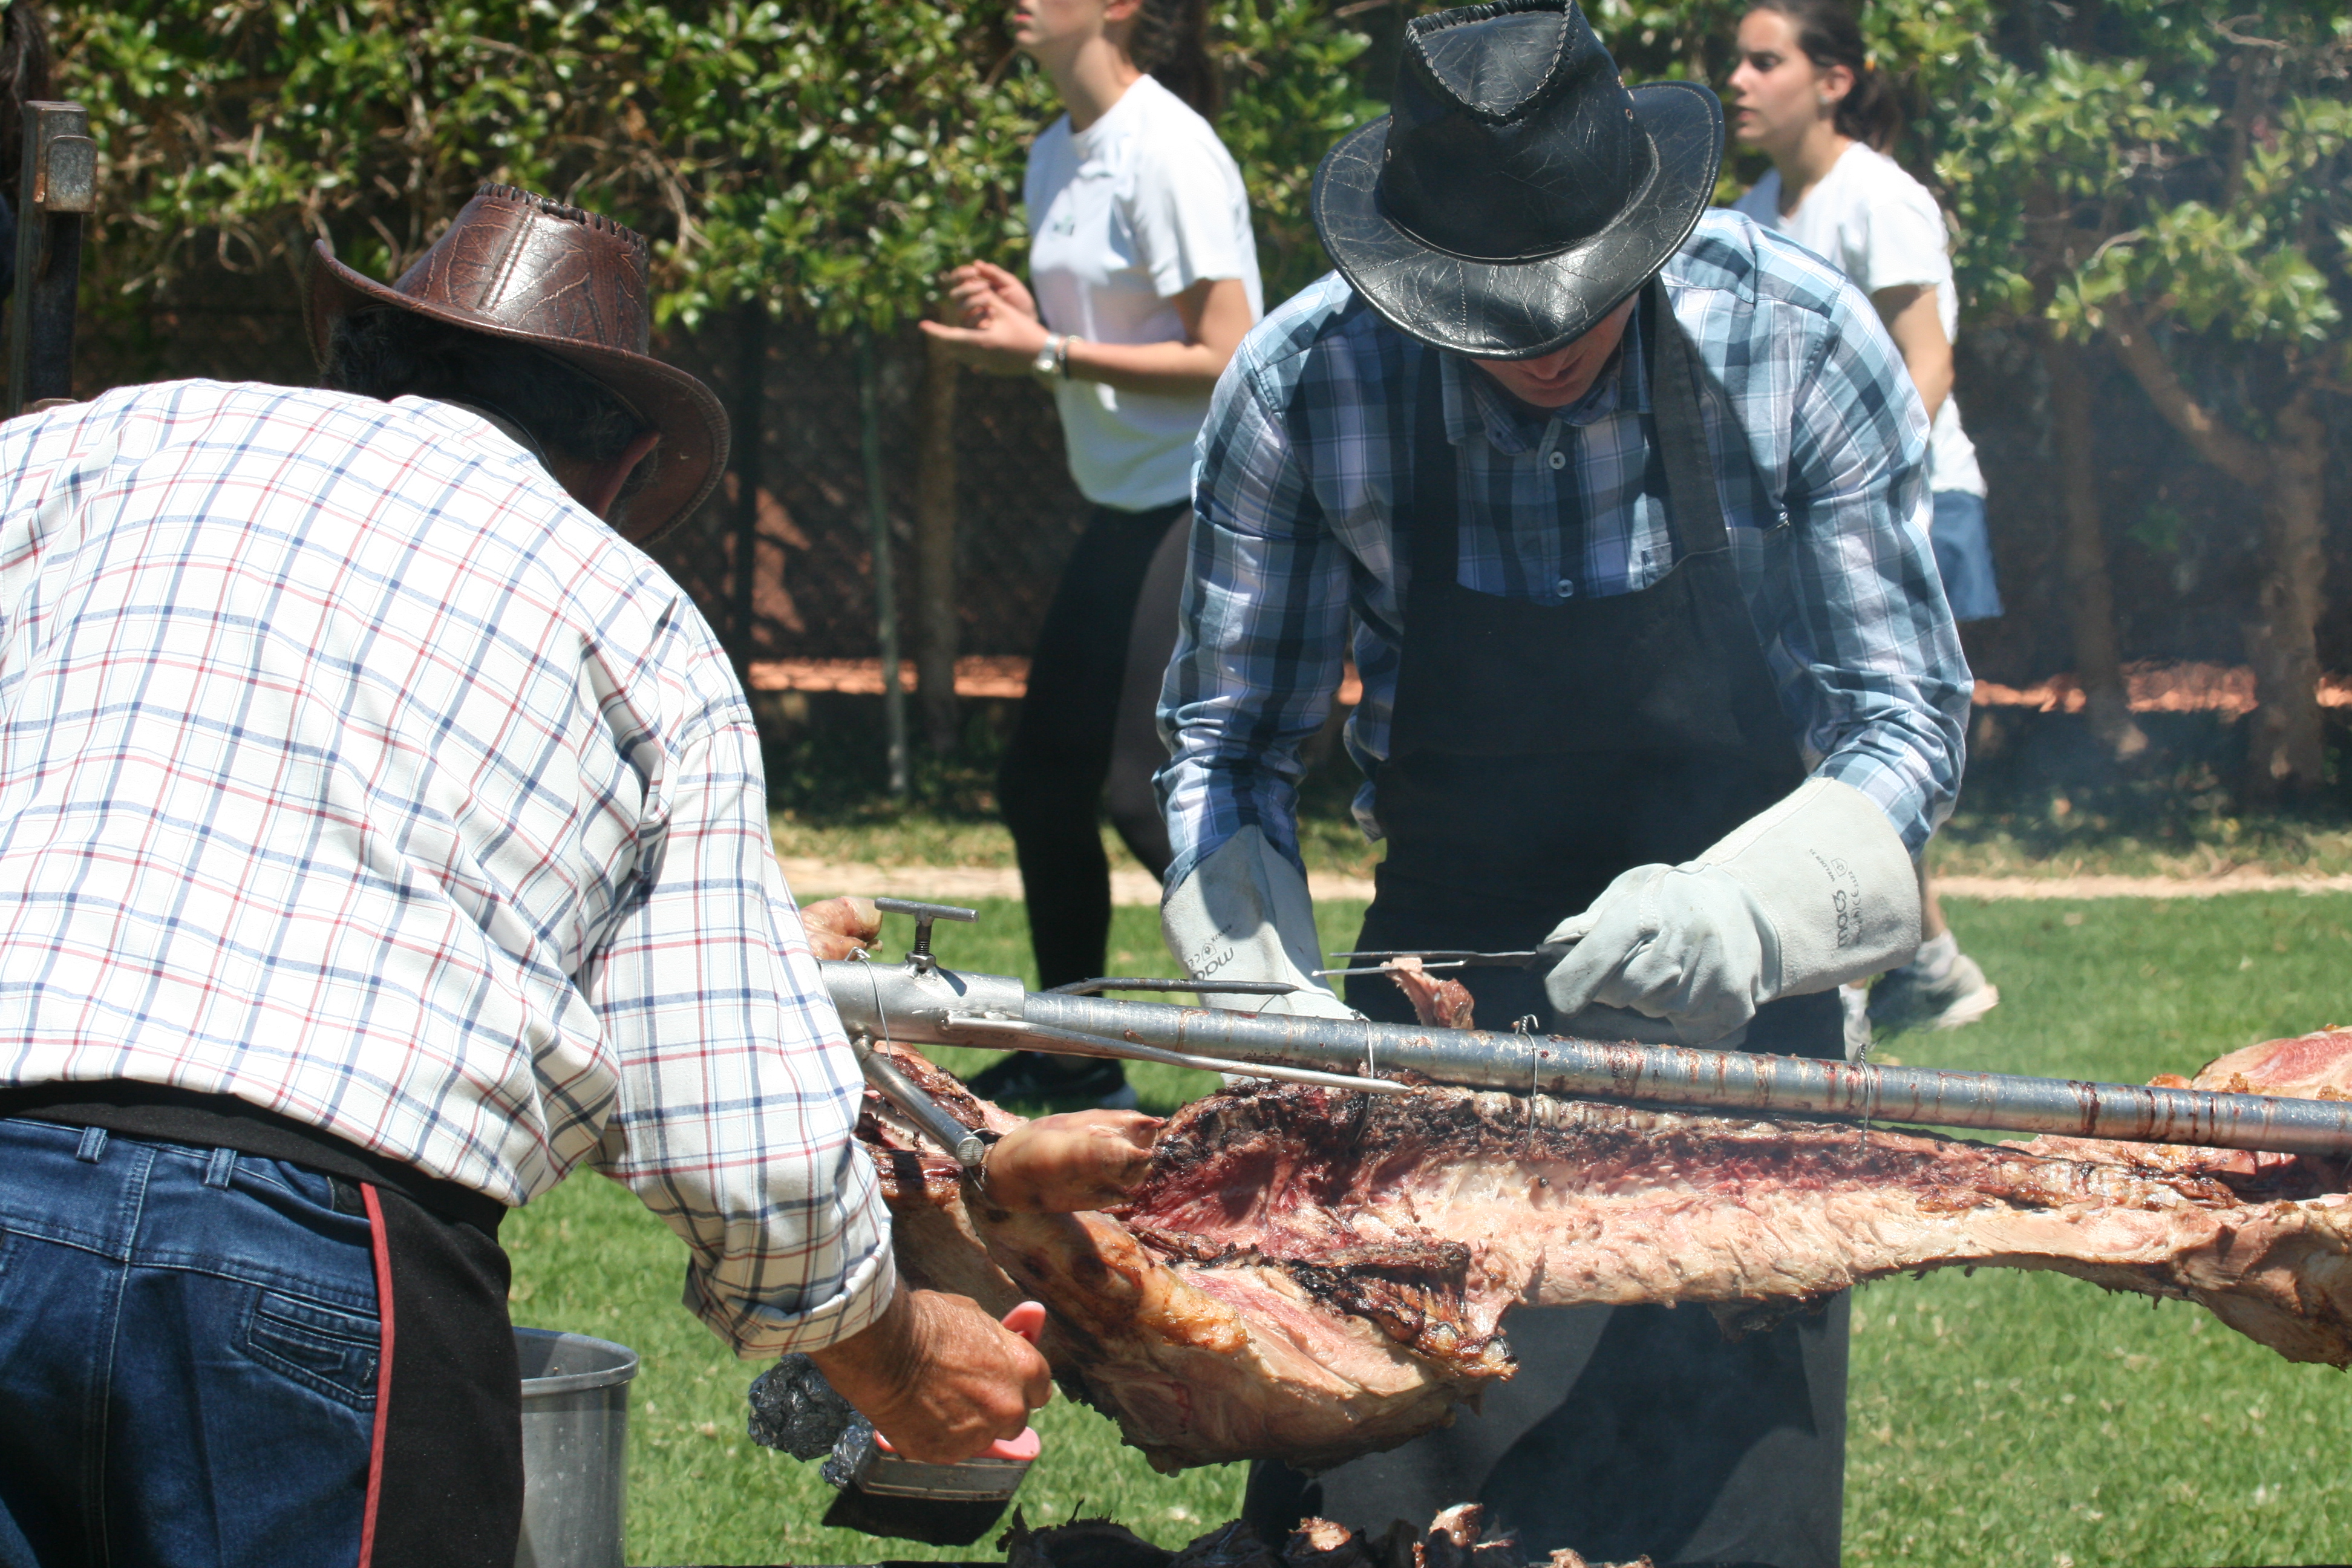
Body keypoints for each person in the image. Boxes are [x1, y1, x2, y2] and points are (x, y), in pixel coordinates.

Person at [0, 186, 1050, 1566]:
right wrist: (899, 1356)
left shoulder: (83, 449)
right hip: (320, 1247)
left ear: (361, 358)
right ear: (624, 465)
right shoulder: (634, 618)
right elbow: (740, 1142)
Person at [1156, 3, 1968, 1564]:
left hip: (1747, 1023)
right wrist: (1267, 1006)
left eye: (1578, 291)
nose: (1543, 338)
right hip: (1436, 1008)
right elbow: (1229, 744)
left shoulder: (1799, 338)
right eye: (1491, 308)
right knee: (1378, 1529)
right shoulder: (1305, 381)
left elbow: (1902, 717)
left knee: (1719, 1526)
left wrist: (1744, 911)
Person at [923, 0, 1262, 1108]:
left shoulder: (1167, 150)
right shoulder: (1053, 156)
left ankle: (1297, 1047)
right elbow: (1098, 336)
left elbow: (1230, 352)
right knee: (1041, 785)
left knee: (1137, 793)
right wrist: (1028, 321)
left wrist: (1049, 350)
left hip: (1201, 498)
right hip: (1122, 506)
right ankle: (1078, 1065)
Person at [1728, 0, 1999, 1042]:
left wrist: (1840, 486)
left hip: (1910, 508)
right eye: (1739, 62)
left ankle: (1875, 968)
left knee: (1865, 741)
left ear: (1833, 81)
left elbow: (1928, 363)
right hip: (1802, 521)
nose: (1740, 82)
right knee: (1822, 745)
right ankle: (1922, 959)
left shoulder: (1878, 199)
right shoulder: (1755, 211)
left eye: (1767, 62)